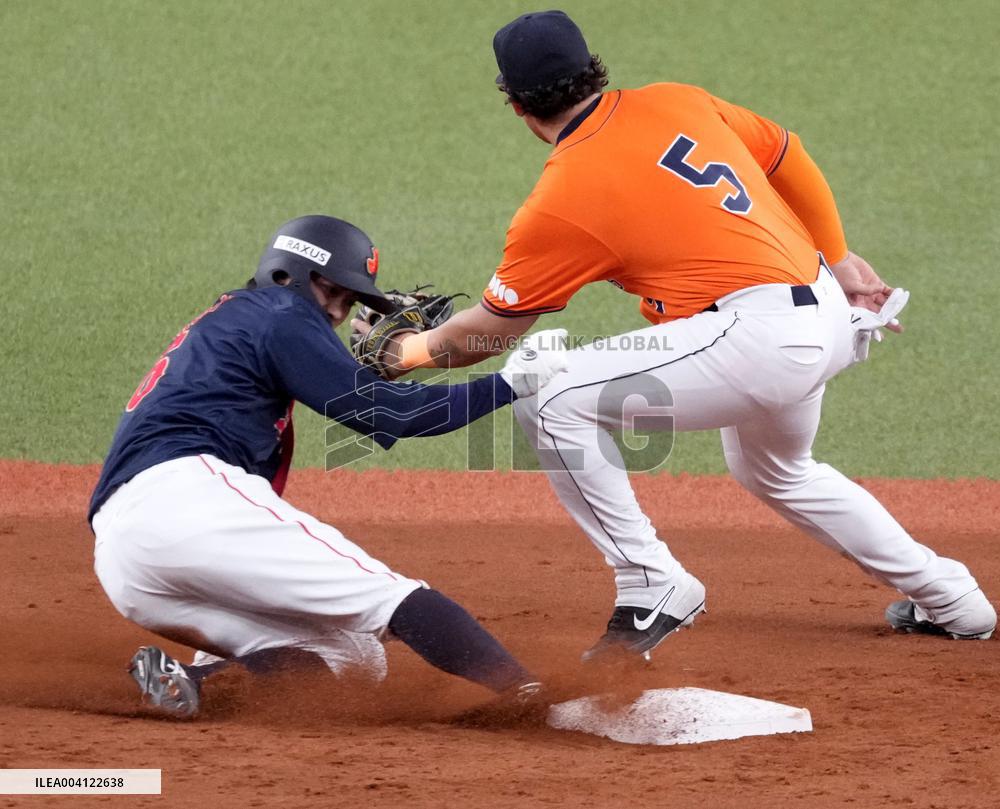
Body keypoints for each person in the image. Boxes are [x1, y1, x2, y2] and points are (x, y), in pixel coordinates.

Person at [352, 11, 996, 661]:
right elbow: (788, 155)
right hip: (823, 309)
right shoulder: (678, 101)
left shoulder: (563, 196)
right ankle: (951, 597)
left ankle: (650, 580)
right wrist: (839, 257)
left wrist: (404, 353)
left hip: (758, 338)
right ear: (593, 71)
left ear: (516, 105)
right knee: (777, 469)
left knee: (547, 395)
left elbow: (489, 335)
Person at [89, 214, 568, 718]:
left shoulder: (237, 321)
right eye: (332, 291)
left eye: (350, 300)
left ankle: (187, 683)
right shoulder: (280, 313)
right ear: (287, 273)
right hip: (185, 504)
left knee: (352, 656)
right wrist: (510, 384)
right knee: (390, 598)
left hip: (128, 567)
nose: (339, 312)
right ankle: (527, 693)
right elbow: (394, 415)